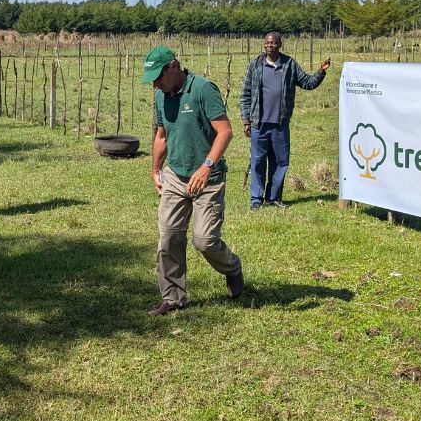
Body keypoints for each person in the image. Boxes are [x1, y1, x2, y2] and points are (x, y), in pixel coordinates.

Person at [142, 46, 244, 316]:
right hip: (176, 176)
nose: (155, 83)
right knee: (168, 237)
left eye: (158, 76)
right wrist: (155, 170)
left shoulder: (202, 90)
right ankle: (173, 297)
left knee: (205, 240)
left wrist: (206, 166)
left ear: (174, 66)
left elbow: (225, 132)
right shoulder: (161, 97)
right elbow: (161, 136)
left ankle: (232, 267)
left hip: (207, 178)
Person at [239, 32, 331, 209]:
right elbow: (245, 94)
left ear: (280, 44)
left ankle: (274, 197)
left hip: (280, 124)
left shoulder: (289, 64)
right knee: (258, 162)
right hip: (259, 123)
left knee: (280, 162)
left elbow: (307, 83)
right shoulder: (256, 65)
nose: (269, 46)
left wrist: (320, 72)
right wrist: (246, 120)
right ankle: (256, 199)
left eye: (273, 43)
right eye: (267, 43)